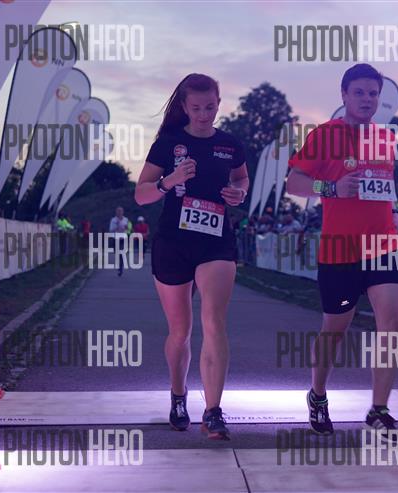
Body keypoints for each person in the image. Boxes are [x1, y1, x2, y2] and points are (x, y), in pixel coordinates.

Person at [286, 63, 398, 438]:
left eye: (373, 93)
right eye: (359, 93)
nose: (367, 100)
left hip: (382, 243)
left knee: (392, 323)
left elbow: (383, 187)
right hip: (340, 249)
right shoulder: (325, 135)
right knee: (334, 330)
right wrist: (331, 188)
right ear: (344, 95)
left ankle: (379, 408)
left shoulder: (385, 138)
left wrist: (396, 214)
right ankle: (318, 394)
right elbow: (294, 183)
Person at [134, 73, 248, 439]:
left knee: (213, 321)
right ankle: (178, 394)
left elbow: (241, 179)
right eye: (196, 108)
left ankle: (213, 411)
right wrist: (169, 180)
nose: (203, 115)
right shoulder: (169, 144)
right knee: (180, 330)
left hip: (215, 242)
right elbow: (141, 195)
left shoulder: (229, 144)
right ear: (184, 106)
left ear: (219, 104)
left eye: (210, 107)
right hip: (174, 242)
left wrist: (239, 193)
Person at [109, 207, 130, 276]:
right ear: (116, 212)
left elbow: (128, 229)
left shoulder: (126, 219)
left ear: (123, 212)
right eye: (118, 211)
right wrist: (117, 226)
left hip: (123, 239)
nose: (119, 212)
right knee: (117, 253)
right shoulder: (113, 220)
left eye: (121, 211)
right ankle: (119, 265)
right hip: (116, 238)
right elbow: (111, 230)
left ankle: (120, 268)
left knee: (121, 254)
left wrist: (127, 228)